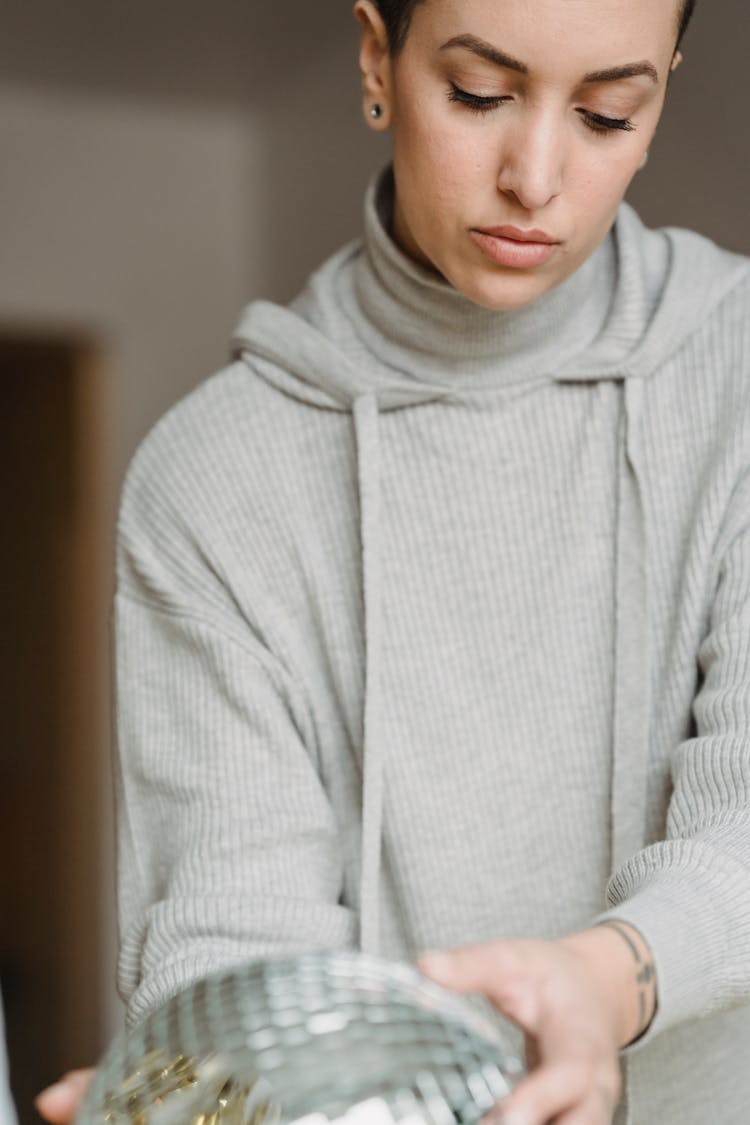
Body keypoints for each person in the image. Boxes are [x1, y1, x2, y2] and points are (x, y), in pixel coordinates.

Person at [38, 0, 750, 1122]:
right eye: (479, 94)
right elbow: (228, 929)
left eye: (609, 113)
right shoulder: (213, 479)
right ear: (379, 55)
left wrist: (601, 981)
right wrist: (209, 1089)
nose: (535, 175)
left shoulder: (735, 372)